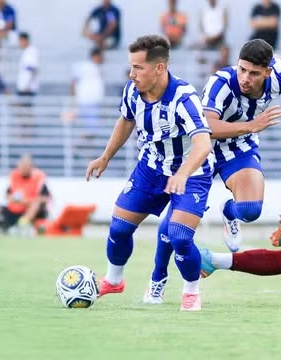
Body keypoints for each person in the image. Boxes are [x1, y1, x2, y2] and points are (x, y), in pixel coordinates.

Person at [142, 39, 281, 305]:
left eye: (253, 73)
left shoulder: (276, 76)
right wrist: (252, 125)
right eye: (241, 69)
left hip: (238, 149)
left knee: (251, 209)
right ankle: (157, 277)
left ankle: (229, 212)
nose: (244, 77)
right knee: (177, 225)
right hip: (200, 149)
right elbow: (207, 126)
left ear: (266, 72)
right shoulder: (221, 83)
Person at [86, 35, 214, 312]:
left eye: (138, 68)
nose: (132, 74)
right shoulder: (132, 91)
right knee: (119, 227)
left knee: (179, 236)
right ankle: (114, 280)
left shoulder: (184, 97)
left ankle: (191, 291)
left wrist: (182, 173)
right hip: (151, 168)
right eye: (131, 67)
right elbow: (126, 121)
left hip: (191, 173)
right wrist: (105, 156)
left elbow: (203, 144)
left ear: (159, 68)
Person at [0, 154, 51, 235]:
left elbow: (45, 198)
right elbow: (7, 195)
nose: (23, 168)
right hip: (14, 208)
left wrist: (26, 201)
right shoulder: (15, 177)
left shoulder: (38, 179)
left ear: (31, 167)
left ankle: (21, 227)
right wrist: (13, 199)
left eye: (26, 166)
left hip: (29, 210)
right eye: (22, 166)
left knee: (35, 205)